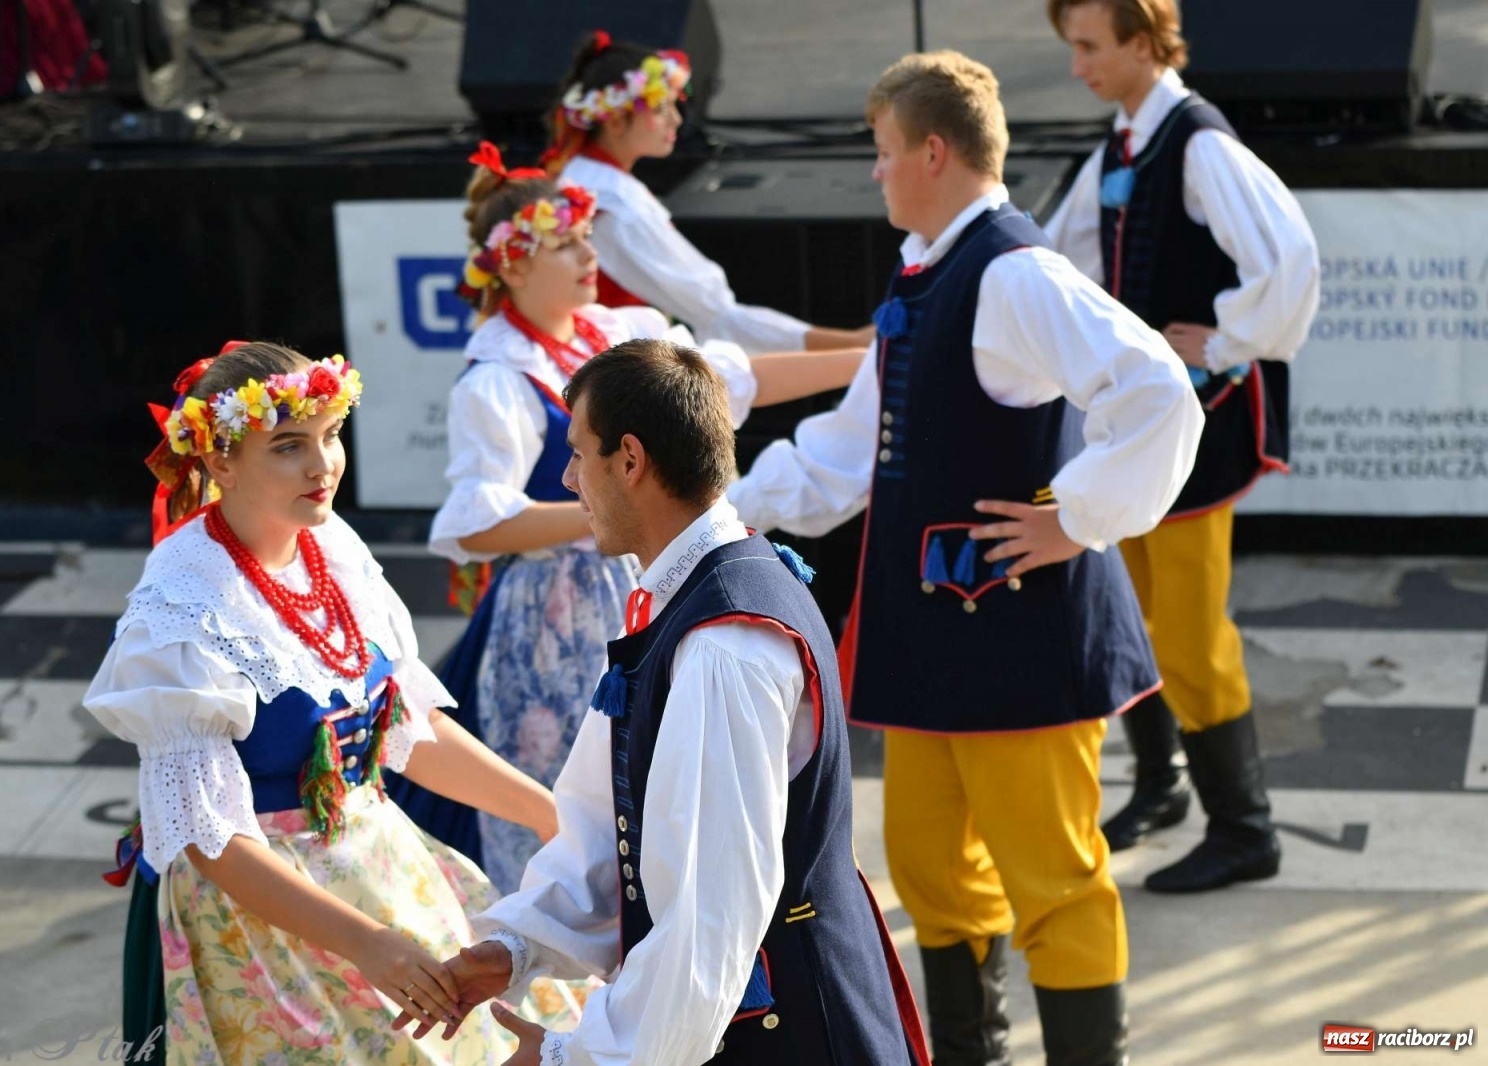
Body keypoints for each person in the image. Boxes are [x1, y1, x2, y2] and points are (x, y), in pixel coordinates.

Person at [725, 51, 1204, 1066]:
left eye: (885, 153)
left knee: (1053, 878)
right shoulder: (930, 273)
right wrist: (722, 511)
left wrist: (1074, 516)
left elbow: (1158, 390)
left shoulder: (1013, 273)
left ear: (933, 153)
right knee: (932, 869)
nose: (876, 172)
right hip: (931, 641)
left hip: (1019, 633)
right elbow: (848, 452)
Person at [418, 339, 929, 1066]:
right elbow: (602, 825)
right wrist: (515, 949)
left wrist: (575, 1059)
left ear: (629, 461)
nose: (568, 479)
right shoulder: (686, 599)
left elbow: (709, 922)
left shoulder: (723, 648)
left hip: (788, 1034)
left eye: (577, 455)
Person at [85, 342, 588, 1064]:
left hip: (376, 861)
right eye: (289, 446)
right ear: (221, 461)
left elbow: (406, 732)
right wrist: (366, 943)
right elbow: (210, 840)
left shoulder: (333, 549)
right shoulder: (181, 604)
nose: (323, 466)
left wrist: (549, 814)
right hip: (266, 910)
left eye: (330, 436)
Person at [397, 143, 865, 894]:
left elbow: (729, 381)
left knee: (677, 784)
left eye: (588, 235)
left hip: (653, 575)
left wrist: (867, 359)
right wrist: (606, 511)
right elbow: (474, 524)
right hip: (560, 618)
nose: (590, 253)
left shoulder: (620, 330)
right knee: (579, 811)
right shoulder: (496, 379)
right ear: (513, 267)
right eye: (567, 243)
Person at [1044, 0, 1319, 892]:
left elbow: (1288, 262)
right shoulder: (1123, 142)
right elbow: (1064, 258)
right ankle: (1162, 785)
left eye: (1089, 46)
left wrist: (1227, 339)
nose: (1078, 64)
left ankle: (1247, 828)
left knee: (1192, 636)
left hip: (1198, 427)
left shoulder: (1196, 142)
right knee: (1141, 612)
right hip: (1144, 423)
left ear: (1141, 42)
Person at [543, 30, 873, 352]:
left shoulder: (585, 178)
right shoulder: (613, 203)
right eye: (660, 109)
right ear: (614, 122)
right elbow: (716, 314)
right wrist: (851, 346)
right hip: (607, 370)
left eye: (674, 106)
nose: (675, 120)